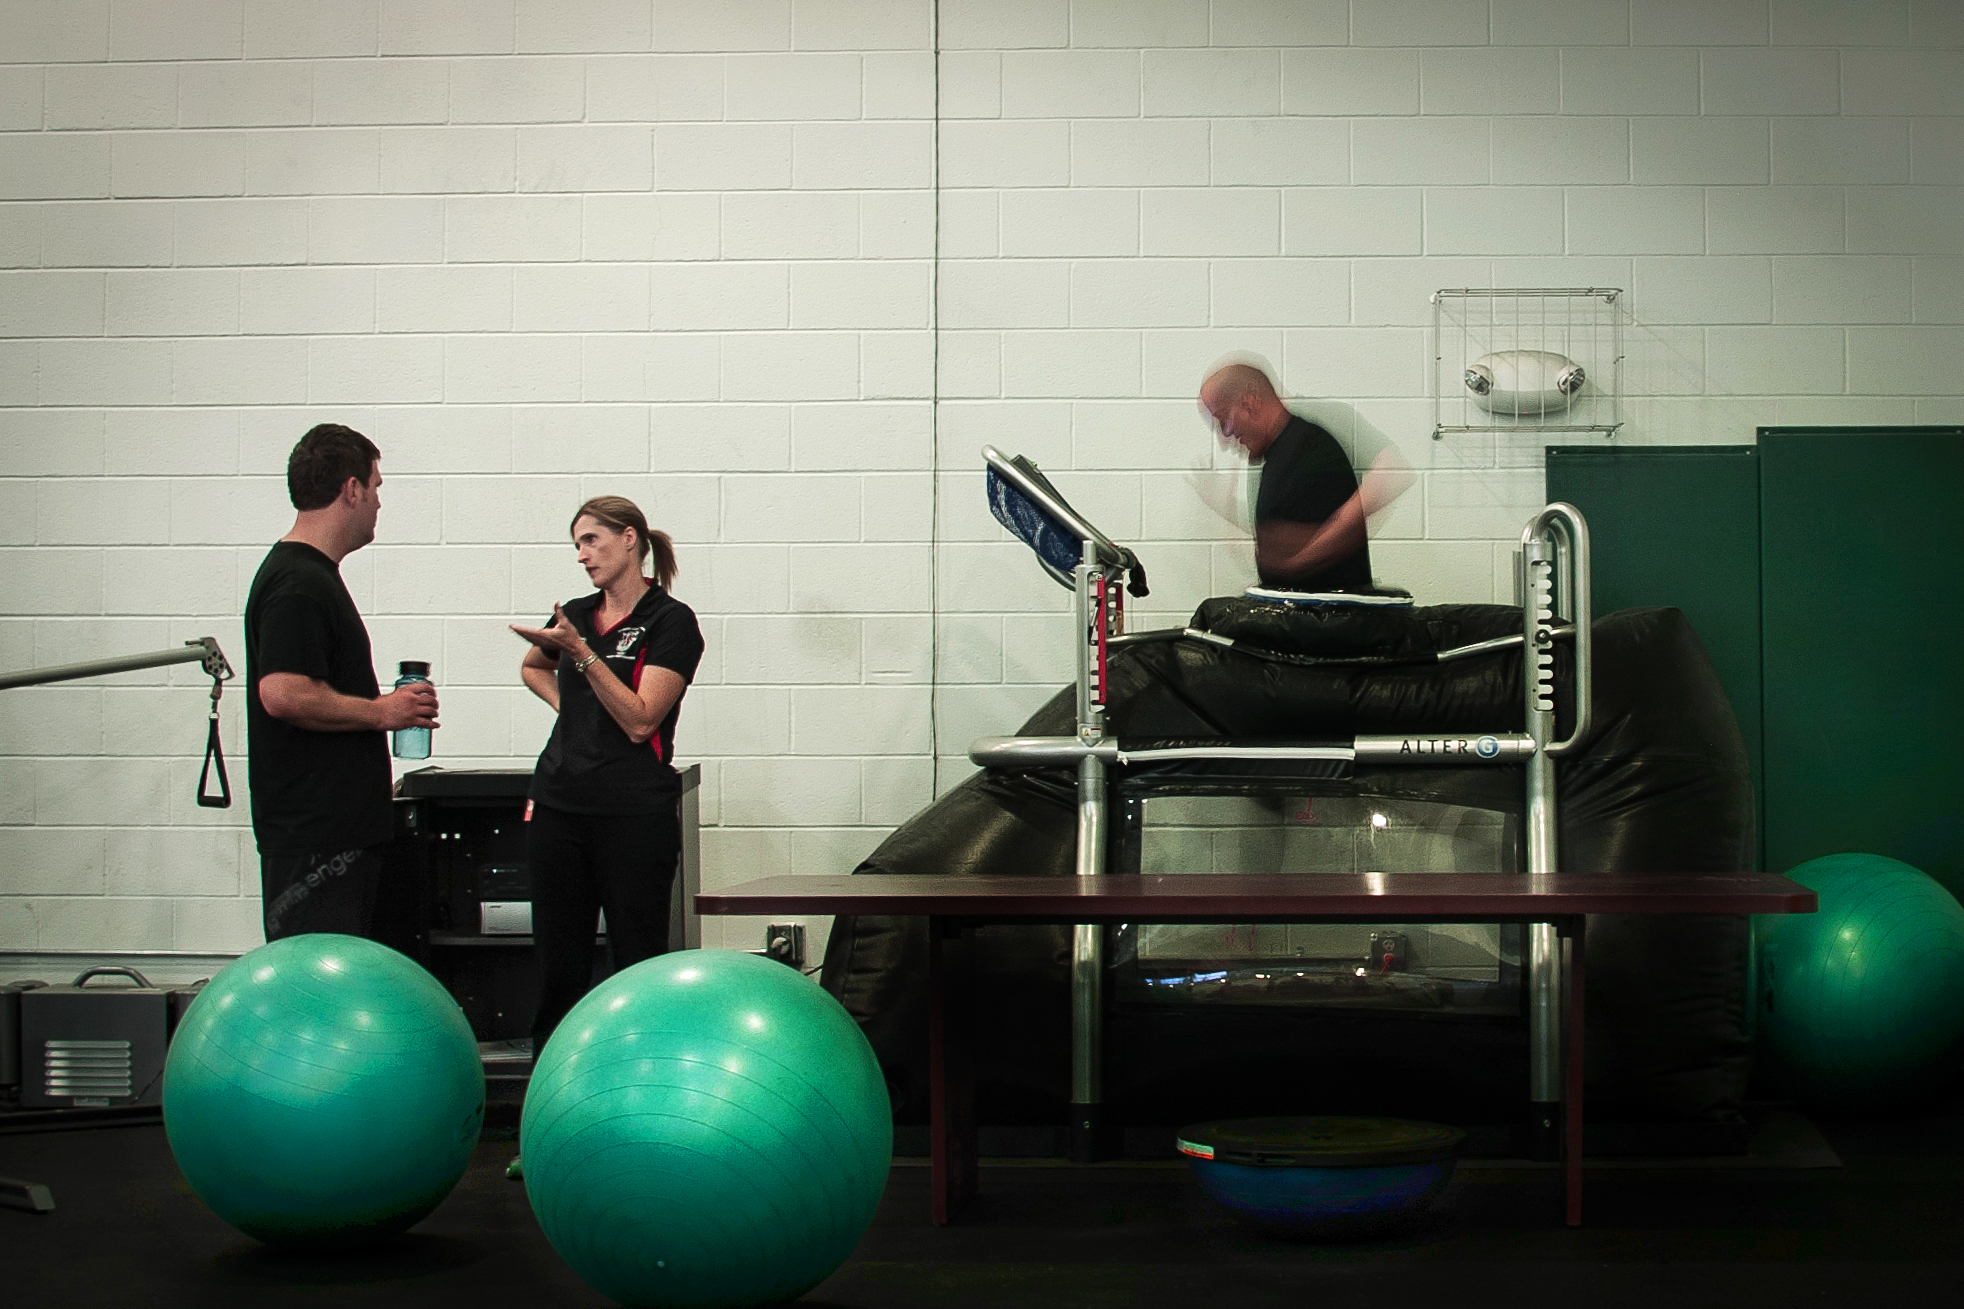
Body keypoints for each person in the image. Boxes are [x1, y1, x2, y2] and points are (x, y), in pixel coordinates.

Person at [511, 495, 704, 1052]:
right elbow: (532, 667)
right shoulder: (575, 612)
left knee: (637, 962)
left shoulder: (670, 621)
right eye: (576, 545)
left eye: (591, 540)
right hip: (557, 808)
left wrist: (583, 654)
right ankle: (551, 1093)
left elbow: (642, 720)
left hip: (632, 815)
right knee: (558, 963)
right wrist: (575, 706)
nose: (582, 555)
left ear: (629, 539)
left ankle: (637, 1077)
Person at [245, 423, 439, 941]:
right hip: (317, 845)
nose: (379, 502)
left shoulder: (313, 575)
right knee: (320, 991)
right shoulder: (297, 583)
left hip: (336, 835)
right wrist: (384, 712)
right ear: (350, 489)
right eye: (376, 487)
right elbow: (282, 693)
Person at [1198, 363, 1407, 592]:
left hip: (1333, 618)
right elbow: (1284, 530)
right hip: (1305, 616)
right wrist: (1224, 507)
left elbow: (1393, 472)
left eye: (1223, 418)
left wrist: (1303, 559)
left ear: (1251, 400)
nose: (1224, 436)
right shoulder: (1266, 455)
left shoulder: (1321, 422)